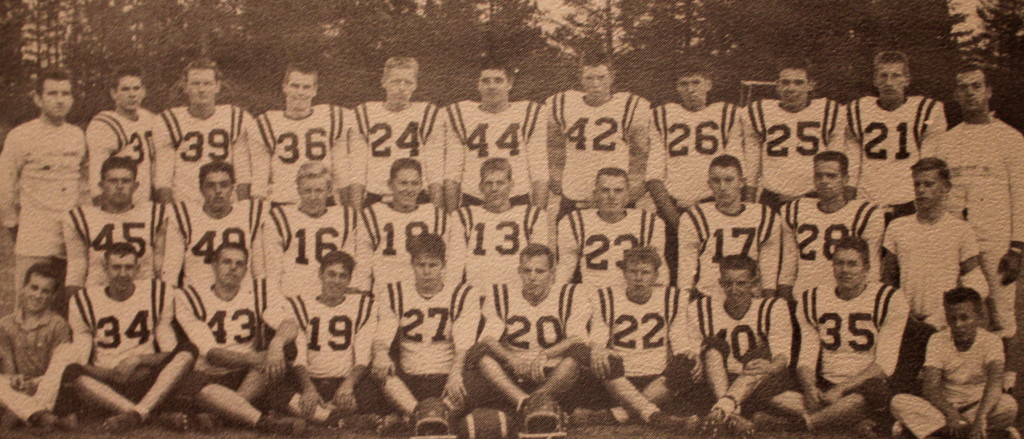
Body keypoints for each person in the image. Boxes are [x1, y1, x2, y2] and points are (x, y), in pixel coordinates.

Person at [927, 64, 1024, 387]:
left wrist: (1017, 247)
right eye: (963, 87)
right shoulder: (946, 142)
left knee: (1000, 310)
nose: (970, 93)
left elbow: (1021, 196)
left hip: (995, 236)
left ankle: (1006, 383)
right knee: (954, 304)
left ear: (988, 91)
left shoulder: (1010, 139)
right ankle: (956, 377)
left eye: (976, 86)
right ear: (955, 94)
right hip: (955, 237)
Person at [773, 237, 908, 434]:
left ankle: (802, 425)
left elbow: (885, 366)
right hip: (826, 385)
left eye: (852, 264)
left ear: (867, 267)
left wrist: (842, 389)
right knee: (771, 388)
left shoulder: (889, 299)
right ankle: (846, 420)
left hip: (863, 385)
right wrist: (810, 387)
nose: (845, 270)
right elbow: (807, 356)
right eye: (839, 263)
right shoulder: (814, 298)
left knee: (873, 391)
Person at [171, 242, 306, 434]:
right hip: (209, 375)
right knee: (201, 388)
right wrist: (257, 358)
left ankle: (222, 413)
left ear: (245, 270)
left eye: (239, 264)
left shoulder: (258, 291)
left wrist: (276, 345)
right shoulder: (191, 297)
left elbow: (290, 324)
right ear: (214, 265)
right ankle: (265, 423)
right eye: (227, 262)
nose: (233, 268)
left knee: (284, 349)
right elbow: (212, 354)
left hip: (247, 376)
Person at [58, 243, 195, 432]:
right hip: (107, 384)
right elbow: (81, 357)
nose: (123, 274)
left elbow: (168, 352)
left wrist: (139, 360)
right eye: (116, 267)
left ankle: (136, 414)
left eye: (129, 267)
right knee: (73, 371)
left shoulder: (157, 292)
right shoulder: (84, 300)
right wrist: (110, 373)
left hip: (147, 380)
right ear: (105, 269)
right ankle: (151, 415)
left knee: (188, 350)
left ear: (137, 269)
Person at [883, 158, 987, 392]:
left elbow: (976, 282)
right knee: (898, 389)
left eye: (929, 184)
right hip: (906, 322)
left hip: (943, 323)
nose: (921, 191)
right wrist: (901, 313)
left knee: (945, 389)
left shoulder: (961, 230)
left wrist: (949, 315)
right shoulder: (898, 227)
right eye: (917, 184)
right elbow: (887, 279)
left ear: (946, 188)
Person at [675, 255, 794, 435]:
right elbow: (695, 348)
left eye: (741, 283)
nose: (734, 289)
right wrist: (696, 357)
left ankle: (721, 411)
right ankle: (731, 415)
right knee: (713, 347)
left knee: (759, 359)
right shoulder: (701, 307)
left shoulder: (773, 307)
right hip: (718, 382)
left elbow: (782, 355)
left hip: (758, 381)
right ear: (720, 283)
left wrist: (770, 367)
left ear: (754, 283)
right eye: (728, 283)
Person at [573, 247, 689, 427]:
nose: (639, 277)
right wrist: (597, 348)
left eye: (645, 272)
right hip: (619, 378)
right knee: (596, 354)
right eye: (633, 271)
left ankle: (618, 414)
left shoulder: (672, 297)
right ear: (624, 273)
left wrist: (689, 355)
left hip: (658, 379)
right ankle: (654, 415)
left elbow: (680, 338)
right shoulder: (606, 297)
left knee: (688, 362)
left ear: (656, 275)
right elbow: (599, 336)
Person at [371, 234, 480, 425]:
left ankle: (413, 417)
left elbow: (464, 345)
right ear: (412, 265)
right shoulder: (395, 292)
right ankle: (426, 416)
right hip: (409, 380)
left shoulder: (462, 294)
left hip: (446, 378)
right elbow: (382, 335)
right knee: (380, 370)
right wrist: (380, 353)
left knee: (473, 378)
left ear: (443, 265)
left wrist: (455, 375)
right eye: (421, 265)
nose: (426, 271)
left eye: (433, 265)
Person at [466, 244, 589, 413]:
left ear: (552, 273)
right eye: (527, 271)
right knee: (480, 352)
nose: (532, 277)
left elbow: (578, 338)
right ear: (519, 272)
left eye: (540, 271)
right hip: (515, 371)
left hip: (553, 372)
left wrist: (545, 354)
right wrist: (511, 359)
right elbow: (488, 338)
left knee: (578, 355)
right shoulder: (502, 294)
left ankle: (534, 401)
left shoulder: (570, 294)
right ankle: (522, 401)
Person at [0, 69, 86, 303]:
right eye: (52, 93)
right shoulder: (21, 135)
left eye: (65, 93)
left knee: (64, 306)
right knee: (29, 304)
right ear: (38, 98)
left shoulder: (77, 135)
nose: (60, 100)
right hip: (34, 234)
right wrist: (12, 225)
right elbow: (5, 186)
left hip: (69, 235)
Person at [890, 288, 1019, 439]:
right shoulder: (937, 340)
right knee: (898, 402)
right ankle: (982, 434)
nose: (958, 324)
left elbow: (995, 383)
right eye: (952, 319)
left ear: (979, 317)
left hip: (977, 407)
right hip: (944, 410)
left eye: (964, 318)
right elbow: (930, 387)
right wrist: (951, 414)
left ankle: (939, 433)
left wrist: (981, 417)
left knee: (1008, 406)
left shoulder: (991, 341)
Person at [277, 251, 386, 426]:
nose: (336, 281)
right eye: (331, 274)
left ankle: (318, 416)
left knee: (375, 389)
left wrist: (348, 385)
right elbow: (299, 354)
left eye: (343, 276)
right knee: (274, 386)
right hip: (309, 379)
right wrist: (308, 388)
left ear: (349, 280)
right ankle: (340, 420)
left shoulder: (362, 307)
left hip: (343, 381)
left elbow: (363, 353)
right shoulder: (301, 305)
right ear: (320, 275)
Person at [546, 54, 651, 219]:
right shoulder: (563, 103)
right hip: (575, 191)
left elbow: (641, 153)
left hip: (614, 194)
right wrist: (557, 180)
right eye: (589, 78)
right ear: (580, 79)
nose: (595, 84)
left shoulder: (630, 106)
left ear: (612, 77)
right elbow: (553, 147)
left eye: (601, 78)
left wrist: (630, 190)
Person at [844, 51, 946, 220]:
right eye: (883, 76)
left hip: (909, 198)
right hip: (868, 197)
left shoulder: (926, 110)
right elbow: (852, 161)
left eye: (896, 76)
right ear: (875, 80)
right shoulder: (857, 109)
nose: (889, 82)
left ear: (907, 79)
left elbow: (928, 163)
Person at [442, 62, 548, 211]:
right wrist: (453, 215)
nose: (491, 86)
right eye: (485, 81)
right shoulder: (461, 114)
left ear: (509, 84)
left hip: (517, 199)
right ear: (477, 84)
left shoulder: (530, 114)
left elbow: (539, 171)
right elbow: (453, 172)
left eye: (498, 80)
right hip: (474, 199)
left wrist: (538, 214)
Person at [153, 58, 261, 205]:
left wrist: (242, 209)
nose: (202, 89)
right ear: (185, 86)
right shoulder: (169, 120)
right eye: (195, 83)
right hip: (185, 203)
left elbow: (243, 172)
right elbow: (163, 176)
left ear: (217, 86)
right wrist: (171, 212)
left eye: (207, 83)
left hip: (227, 206)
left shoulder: (236, 117)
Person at [780, 151, 884, 300]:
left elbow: (871, 266)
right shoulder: (794, 210)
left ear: (845, 179)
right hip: (804, 295)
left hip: (846, 298)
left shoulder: (866, 213)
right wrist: (786, 297)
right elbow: (789, 262)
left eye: (831, 176)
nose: (824, 181)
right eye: (819, 175)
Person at [742, 60, 844, 211]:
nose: (791, 88)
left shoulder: (829, 111)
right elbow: (752, 162)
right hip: (773, 195)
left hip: (814, 195)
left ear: (810, 85)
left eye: (798, 83)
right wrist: (749, 201)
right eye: (785, 82)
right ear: (777, 85)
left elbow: (835, 161)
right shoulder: (760, 111)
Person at [254, 62, 360, 206]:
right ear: (284, 87)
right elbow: (260, 179)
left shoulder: (330, 117)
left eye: (306, 87)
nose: (300, 92)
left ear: (315, 90)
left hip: (323, 203)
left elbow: (341, 172)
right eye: (295, 86)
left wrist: (348, 210)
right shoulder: (268, 122)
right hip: (284, 201)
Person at [646, 65, 742, 224]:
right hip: (674, 204)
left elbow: (736, 169)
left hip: (714, 202)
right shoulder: (661, 115)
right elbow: (653, 175)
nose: (690, 89)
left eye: (696, 82)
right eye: (684, 84)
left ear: (708, 85)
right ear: (677, 87)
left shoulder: (727, 114)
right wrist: (675, 220)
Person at [678, 155, 781, 298]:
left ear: (741, 182)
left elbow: (769, 266)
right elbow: (686, 268)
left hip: (751, 298)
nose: (722, 187)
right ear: (709, 184)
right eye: (716, 181)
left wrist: (767, 302)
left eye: (729, 180)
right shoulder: (695, 216)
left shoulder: (764, 215)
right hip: (709, 295)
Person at [349, 57, 443, 208]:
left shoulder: (427, 113)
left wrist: (436, 211)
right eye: (395, 81)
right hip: (376, 196)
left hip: (416, 198)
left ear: (415, 85)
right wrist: (356, 212)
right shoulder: (364, 113)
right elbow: (357, 170)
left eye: (408, 82)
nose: (401, 87)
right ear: (383, 82)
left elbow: (435, 170)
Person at [63, 157, 164, 294]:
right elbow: (77, 267)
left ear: (135, 186)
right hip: (97, 294)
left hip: (143, 294)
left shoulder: (154, 214)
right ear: (101, 185)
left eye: (126, 181)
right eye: (113, 181)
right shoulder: (82, 217)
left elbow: (161, 268)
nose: (119, 186)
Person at [354, 158, 453, 291]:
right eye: (403, 183)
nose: (409, 189)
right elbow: (363, 263)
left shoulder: (436, 215)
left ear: (421, 186)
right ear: (390, 184)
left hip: (423, 293)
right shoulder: (372, 214)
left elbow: (448, 263)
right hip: (384, 292)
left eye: (414, 183)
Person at [162, 162, 266, 287]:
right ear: (201, 189)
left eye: (224, 185)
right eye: (211, 186)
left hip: (241, 299)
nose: (218, 191)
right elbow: (170, 273)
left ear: (233, 187)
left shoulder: (249, 214)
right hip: (196, 297)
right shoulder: (185, 217)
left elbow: (259, 273)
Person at [557, 167, 664, 287]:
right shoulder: (575, 221)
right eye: (605, 190)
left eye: (618, 190)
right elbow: (565, 268)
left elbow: (660, 272)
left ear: (628, 195)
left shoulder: (649, 222)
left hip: (630, 296)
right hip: (591, 295)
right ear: (595, 194)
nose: (611, 196)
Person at [0, 263, 74, 430]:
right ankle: (46, 418)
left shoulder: (58, 324)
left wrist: (34, 383)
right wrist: (14, 379)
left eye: (45, 291)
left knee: (62, 359)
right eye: (34, 288)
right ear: (23, 288)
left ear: (53, 296)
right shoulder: (6, 324)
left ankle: (25, 415)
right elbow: (8, 366)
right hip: (16, 388)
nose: (38, 295)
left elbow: (55, 370)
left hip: (45, 389)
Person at [453, 158, 549, 286]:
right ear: (480, 187)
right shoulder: (464, 216)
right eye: (488, 183)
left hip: (516, 294)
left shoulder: (532, 216)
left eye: (500, 183)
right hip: (476, 292)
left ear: (511, 185)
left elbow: (539, 264)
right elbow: (455, 264)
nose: (494, 189)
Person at [267, 163, 360, 294]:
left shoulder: (346, 216)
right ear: (298, 190)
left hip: (331, 294)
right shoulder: (281, 217)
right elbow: (274, 268)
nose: (313, 197)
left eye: (319, 191)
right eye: (307, 191)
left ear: (329, 191)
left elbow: (351, 261)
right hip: (293, 291)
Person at [86, 67, 157, 206]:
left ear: (144, 92)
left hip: (146, 202)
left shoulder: (149, 119)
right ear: (114, 93)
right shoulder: (105, 123)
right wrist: (102, 207)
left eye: (136, 89)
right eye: (125, 89)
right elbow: (96, 173)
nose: (132, 94)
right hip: (118, 204)